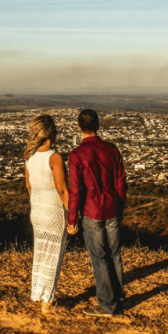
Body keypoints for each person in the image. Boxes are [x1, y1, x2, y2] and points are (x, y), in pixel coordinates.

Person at [67, 109, 127, 316]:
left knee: (99, 258)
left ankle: (106, 304)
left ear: (78, 128)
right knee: (115, 255)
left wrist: (71, 219)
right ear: (98, 126)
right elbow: (121, 182)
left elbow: (75, 190)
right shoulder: (111, 149)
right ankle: (118, 299)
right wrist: (120, 207)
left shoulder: (76, 155)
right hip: (112, 208)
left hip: (91, 211)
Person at [24, 114, 69, 315]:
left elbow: (28, 186)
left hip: (37, 211)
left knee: (41, 255)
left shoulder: (29, 157)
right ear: (51, 134)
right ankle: (47, 302)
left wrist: (37, 204)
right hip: (54, 213)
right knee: (54, 257)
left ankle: (39, 293)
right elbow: (62, 190)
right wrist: (73, 216)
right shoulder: (55, 157)